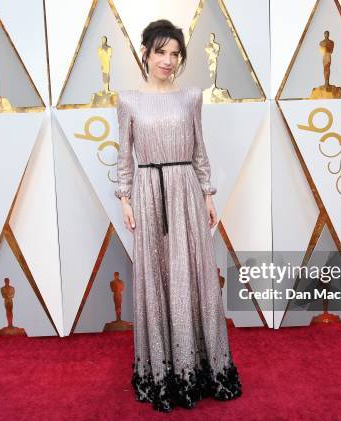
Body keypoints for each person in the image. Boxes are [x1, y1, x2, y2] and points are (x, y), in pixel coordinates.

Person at [114, 19, 242, 412]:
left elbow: (200, 149)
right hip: (149, 192)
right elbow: (125, 155)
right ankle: (163, 371)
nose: (168, 61)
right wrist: (124, 197)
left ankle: (198, 367)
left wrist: (207, 193)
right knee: (157, 274)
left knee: (193, 275)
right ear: (146, 54)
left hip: (186, 189)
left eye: (175, 54)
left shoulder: (191, 97)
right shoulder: (128, 101)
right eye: (161, 52)